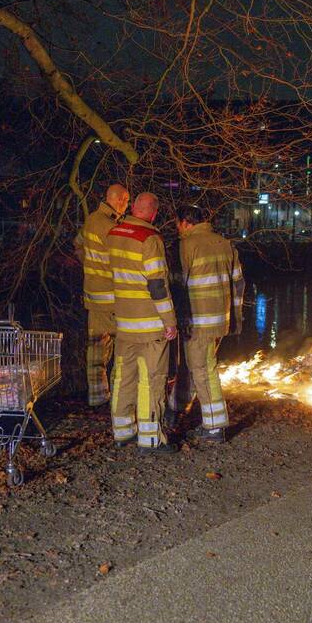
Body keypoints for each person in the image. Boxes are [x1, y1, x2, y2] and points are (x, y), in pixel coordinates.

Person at [106, 192, 179, 454]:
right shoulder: (150, 239)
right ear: (153, 213)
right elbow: (157, 285)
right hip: (149, 326)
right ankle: (150, 439)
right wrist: (169, 321)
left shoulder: (114, 234)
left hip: (124, 323)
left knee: (123, 377)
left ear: (133, 207)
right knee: (152, 379)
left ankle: (122, 432)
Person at [177, 206, 245, 442]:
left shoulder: (187, 245)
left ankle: (215, 426)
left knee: (203, 370)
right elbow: (238, 284)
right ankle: (178, 407)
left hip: (198, 321)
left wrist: (176, 317)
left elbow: (181, 286)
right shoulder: (225, 243)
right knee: (200, 365)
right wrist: (235, 318)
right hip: (220, 321)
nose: (178, 230)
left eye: (178, 225)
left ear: (186, 223)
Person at [74, 183, 129, 407]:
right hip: (113, 299)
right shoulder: (111, 227)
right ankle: (119, 396)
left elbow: (77, 245)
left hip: (93, 298)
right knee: (123, 349)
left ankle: (97, 396)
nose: (128, 204)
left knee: (96, 349)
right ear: (118, 199)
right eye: (126, 200)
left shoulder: (91, 221)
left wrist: (90, 265)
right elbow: (124, 259)